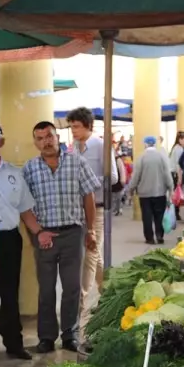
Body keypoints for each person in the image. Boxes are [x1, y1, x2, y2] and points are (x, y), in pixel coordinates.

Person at [23, 121, 100, 354]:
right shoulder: (29, 168)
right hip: (44, 235)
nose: (45, 141)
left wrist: (91, 230)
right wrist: (38, 233)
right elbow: (24, 206)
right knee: (46, 289)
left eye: (49, 136)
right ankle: (46, 337)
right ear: (35, 143)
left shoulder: (77, 162)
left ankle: (70, 335)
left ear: (58, 137)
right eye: (40, 138)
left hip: (72, 233)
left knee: (72, 287)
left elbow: (88, 198)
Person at [0, 120, 43, 360]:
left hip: (8, 238)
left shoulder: (14, 173)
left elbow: (25, 210)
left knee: (9, 292)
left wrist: (39, 232)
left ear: (1, 142)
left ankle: (13, 343)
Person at [65, 106, 120, 343]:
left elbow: (114, 178)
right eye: (71, 126)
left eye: (76, 126)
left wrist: (86, 182)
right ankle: (109, 291)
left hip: (96, 208)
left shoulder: (100, 145)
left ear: (88, 125)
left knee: (90, 254)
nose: (73, 131)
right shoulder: (74, 148)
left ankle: (84, 306)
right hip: (78, 209)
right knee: (93, 254)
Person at [127, 136, 174, 245]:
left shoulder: (141, 158)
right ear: (154, 144)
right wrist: (171, 187)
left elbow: (136, 176)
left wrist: (131, 189)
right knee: (159, 215)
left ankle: (149, 238)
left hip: (144, 193)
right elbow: (167, 174)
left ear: (145, 144)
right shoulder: (161, 157)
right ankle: (159, 235)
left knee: (147, 216)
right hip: (160, 192)